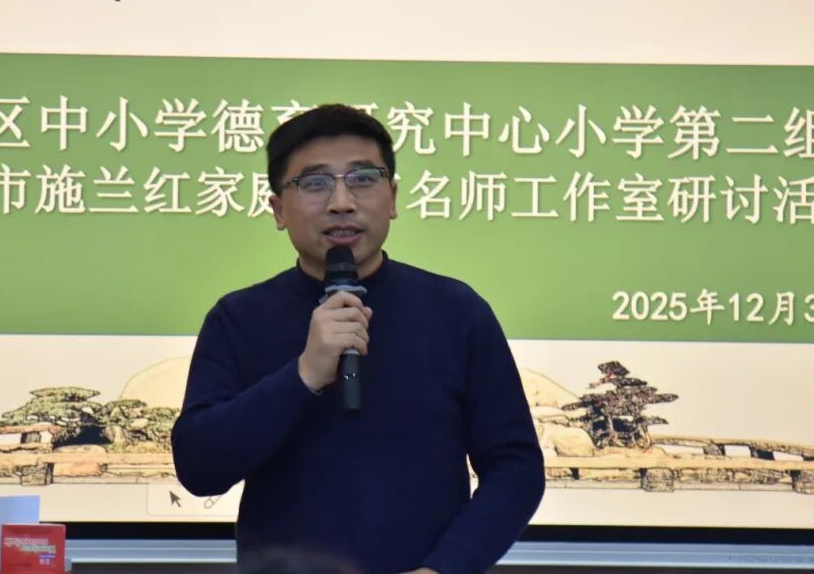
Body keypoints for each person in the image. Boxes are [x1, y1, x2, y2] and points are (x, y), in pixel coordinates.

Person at [171, 104, 545, 574]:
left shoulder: (456, 311)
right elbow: (200, 468)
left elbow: (515, 468)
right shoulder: (239, 318)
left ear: (392, 198)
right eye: (315, 183)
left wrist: (445, 568)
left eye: (363, 179)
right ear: (278, 209)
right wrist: (303, 375)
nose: (342, 202)